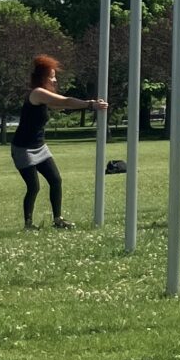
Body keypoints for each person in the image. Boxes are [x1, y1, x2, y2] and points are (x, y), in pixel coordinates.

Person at [11, 55, 106, 230]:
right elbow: (66, 101)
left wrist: (87, 105)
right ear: (42, 78)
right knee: (34, 187)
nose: (55, 80)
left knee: (56, 180)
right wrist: (90, 104)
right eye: (52, 76)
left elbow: (64, 105)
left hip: (40, 147)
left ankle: (58, 220)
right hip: (23, 148)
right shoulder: (37, 93)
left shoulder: (45, 97)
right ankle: (28, 224)